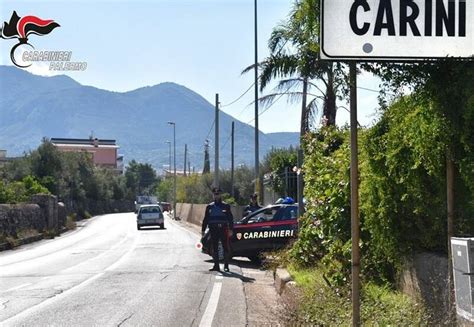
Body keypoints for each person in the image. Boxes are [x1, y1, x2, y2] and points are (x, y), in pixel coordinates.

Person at [201, 187, 233, 272]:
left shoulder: (226, 206)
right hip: (213, 229)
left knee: (225, 246)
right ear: (213, 195)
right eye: (215, 194)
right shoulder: (209, 206)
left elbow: (230, 218)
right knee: (214, 247)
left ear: (220, 195)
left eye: (218, 194)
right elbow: (206, 219)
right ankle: (216, 266)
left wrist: (231, 229)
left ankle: (226, 266)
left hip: (223, 229)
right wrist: (203, 230)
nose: (216, 196)